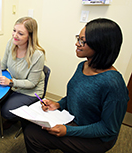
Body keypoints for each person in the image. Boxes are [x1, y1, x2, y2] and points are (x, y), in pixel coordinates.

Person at [23, 18, 129, 153]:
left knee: (33, 135)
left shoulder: (114, 85)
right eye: (78, 38)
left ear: (100, 45)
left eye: (82, 41)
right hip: (74, 119)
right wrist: (58, 104)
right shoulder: (83, 65)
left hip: (96, 137)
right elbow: (75, 95)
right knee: (30, 123)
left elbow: (108, 128)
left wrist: (68, 130)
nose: (76, 43)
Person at [0, 17, 45, 129]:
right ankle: (16, 113)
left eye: (20, 33)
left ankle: (25, 119)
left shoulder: (38, 55)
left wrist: (10, 82)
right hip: (14, 85)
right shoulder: (11, 43)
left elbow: (32, 83)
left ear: (30, 36)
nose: (15, 35)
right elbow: (3, 64)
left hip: (31, 91)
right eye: (14, 31)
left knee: (6, 111)